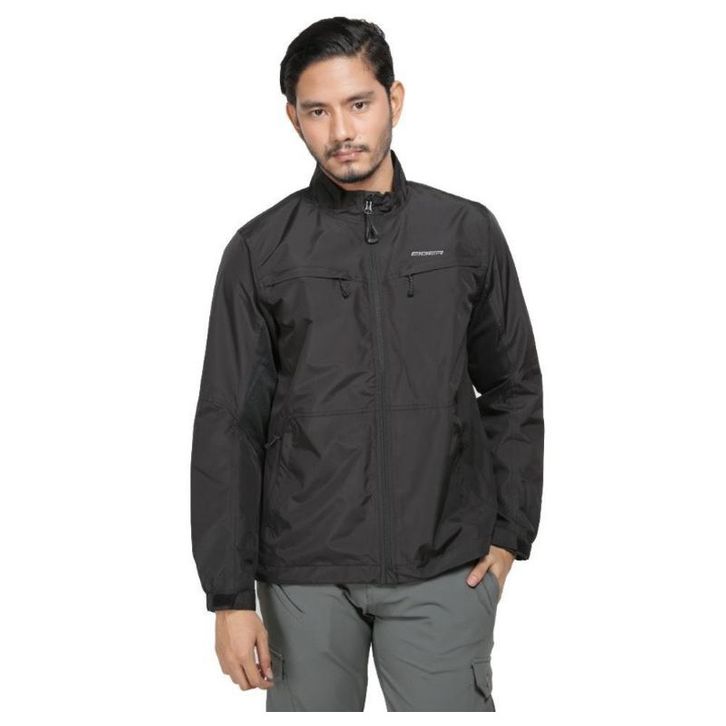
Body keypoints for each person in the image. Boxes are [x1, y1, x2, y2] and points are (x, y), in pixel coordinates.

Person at [190, 16, 544, 712]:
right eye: (318, 111)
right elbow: (228, 423)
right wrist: (229, 597)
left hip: (444, 566)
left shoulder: (464, 233)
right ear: (293, 118)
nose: (342, 130)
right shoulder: (261, 251)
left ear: (394, 100)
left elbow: (512, 387)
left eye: (358, 104)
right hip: (303, 576)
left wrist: (508, 536)